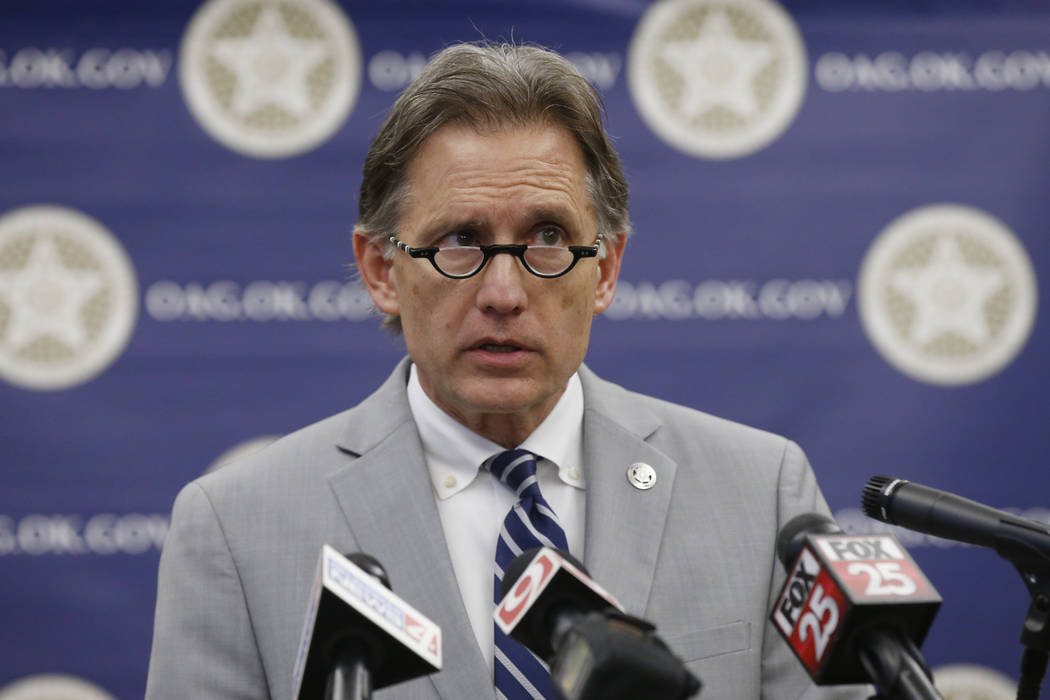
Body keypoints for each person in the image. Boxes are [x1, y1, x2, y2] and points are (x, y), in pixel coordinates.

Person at [146, 42, 865, 699]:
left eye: (547, 237)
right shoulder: (237, 529)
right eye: (460, 240)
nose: (503, 293)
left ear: (606, 269)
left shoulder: (759, 494)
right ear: (382, 270)